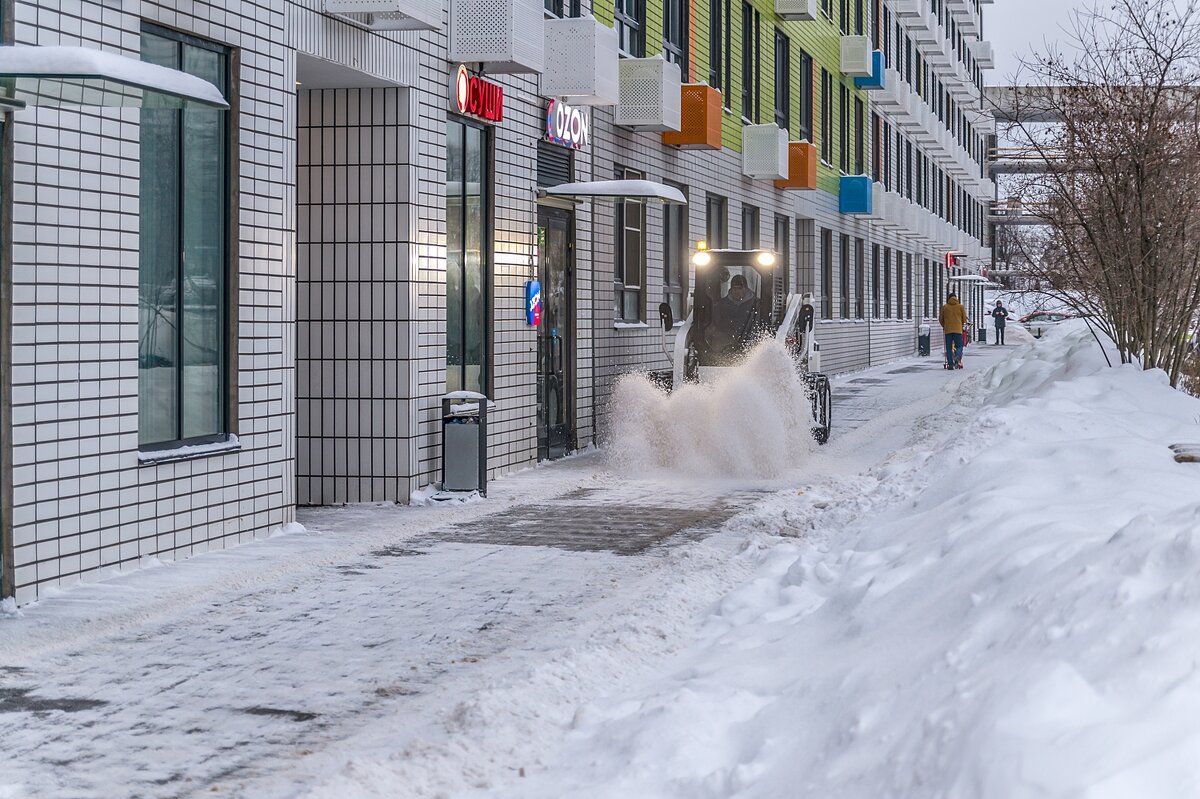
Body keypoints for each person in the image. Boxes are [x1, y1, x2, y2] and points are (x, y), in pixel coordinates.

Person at [708, 273, 757, 356]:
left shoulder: (756, 305)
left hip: (749, 343)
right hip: (725, 344)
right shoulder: (722, 305)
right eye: (734, 288)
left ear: (745, 289)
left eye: (740, 288)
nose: (736, 291)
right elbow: (716, 323)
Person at [938, 292, 968, 370]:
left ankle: (950, 364)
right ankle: (957, 356)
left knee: (948, 347)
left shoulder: (945, 307)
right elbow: (964, 319)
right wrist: (960, 324)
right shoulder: (960, 307)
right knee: (959, 345)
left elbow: (941, 319)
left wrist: (944, 326)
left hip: (948, 330)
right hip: (958, 330)